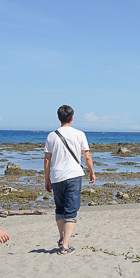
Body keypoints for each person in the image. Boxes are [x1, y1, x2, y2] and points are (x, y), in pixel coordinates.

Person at [44, 105, 96, 255]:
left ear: (58, 118)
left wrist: (46, 179)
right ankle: (65, 246)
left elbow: (47, 160)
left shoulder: (51, 136)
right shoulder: (79, 134)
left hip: (57, 176)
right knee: (71, 211)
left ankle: (62, 238)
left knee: (60, 209)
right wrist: (92, 172)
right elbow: (87, 156)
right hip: (73, 176)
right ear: (72, 118)